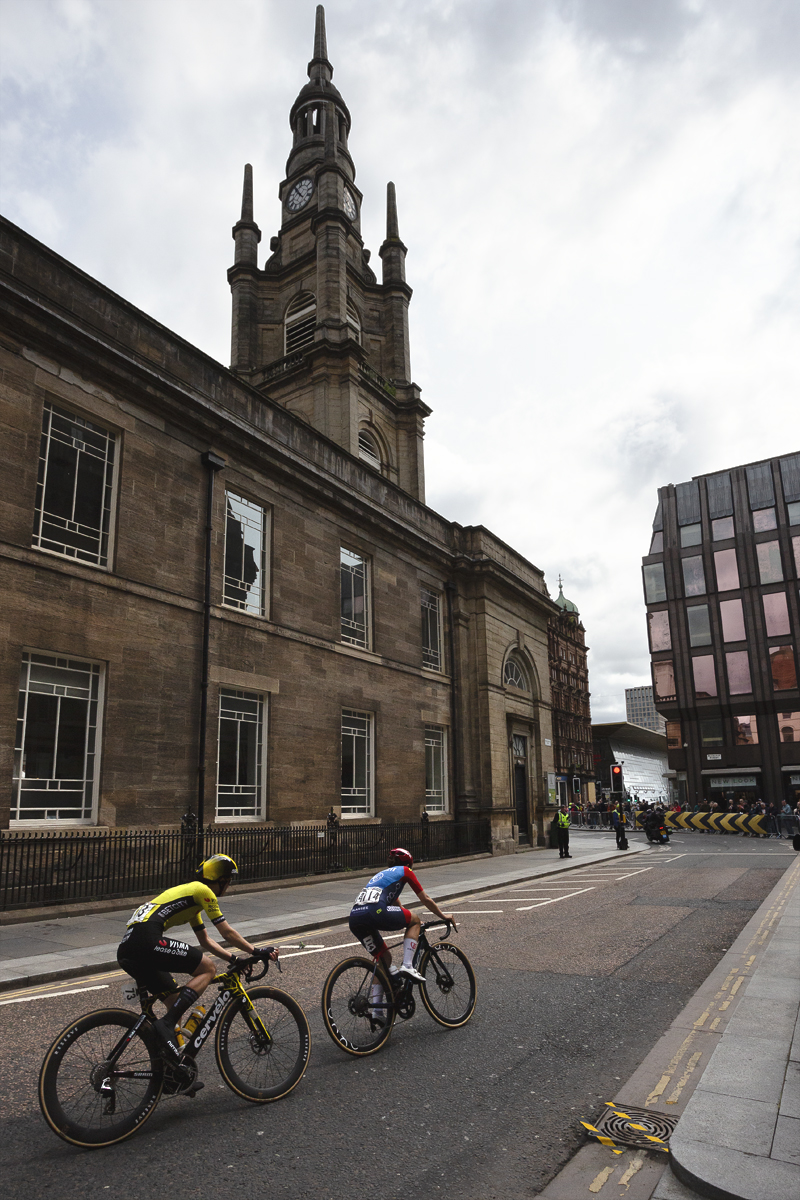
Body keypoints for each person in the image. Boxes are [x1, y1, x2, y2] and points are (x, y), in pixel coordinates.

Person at [117, 853, 276, 1059]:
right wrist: (255, 951)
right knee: (208, 968)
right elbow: (226, 932)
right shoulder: (204, 891)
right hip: (145, 940)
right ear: (222, 880)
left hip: (128, 946)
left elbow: (205, 941)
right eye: (228, 882)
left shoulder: (192, 900)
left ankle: (169, 1064)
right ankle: (166, 1024)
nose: (228, 886)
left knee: (175, 1000)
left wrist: (234, 959)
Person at [348, 847, 455, 1001]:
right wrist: (443, 916)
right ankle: (407, 965)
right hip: (375, 910)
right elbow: (425, 899)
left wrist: (411, 921)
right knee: (415, 919)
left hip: (355, 918)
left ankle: (376, 1012)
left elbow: (397, 905)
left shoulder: (380, 876)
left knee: (384, 959)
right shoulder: (405, 871)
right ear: (408, 864)